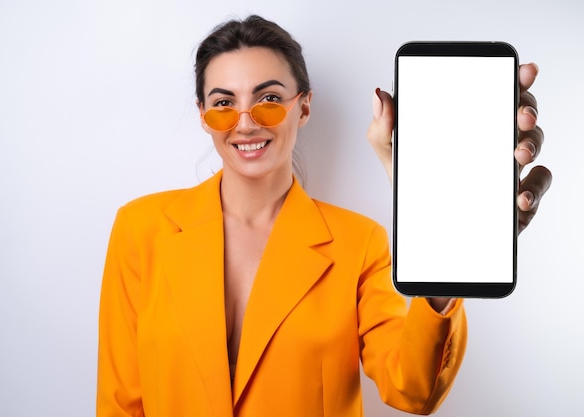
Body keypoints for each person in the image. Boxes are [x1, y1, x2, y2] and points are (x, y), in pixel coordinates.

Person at [96, 15, 552, 417]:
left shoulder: (360, 244)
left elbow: (413, 391)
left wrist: (445, 241)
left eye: (269, 98)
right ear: (202, 115)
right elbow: (119, 405)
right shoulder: (141, 229)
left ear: (305, 106)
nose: (246, 122)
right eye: (223, 104)